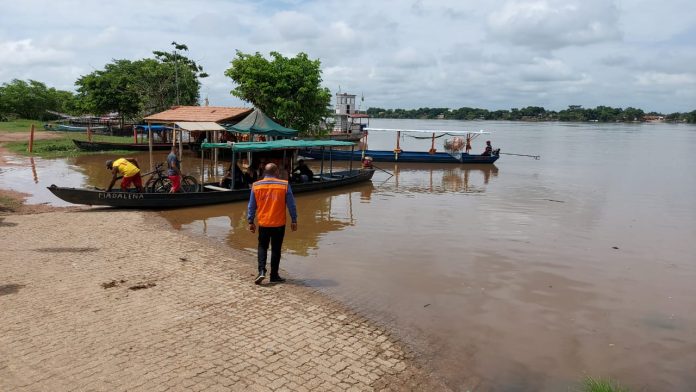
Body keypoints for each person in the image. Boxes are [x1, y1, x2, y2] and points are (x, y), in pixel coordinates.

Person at [247, 163, 298, 285]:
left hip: (264, 223)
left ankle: (261, 271)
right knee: (276, 249)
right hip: (279, 224)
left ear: (265, 172)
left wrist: (250, 221)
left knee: (262, 247)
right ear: (276, 172)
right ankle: (274, 275)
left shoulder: (256, 185)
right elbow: (292, 205)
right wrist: (294, 220)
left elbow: (251, 206)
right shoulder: (284, 185)